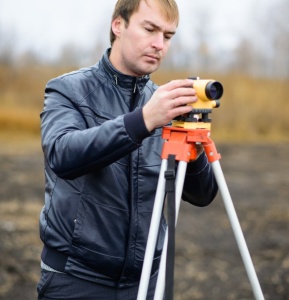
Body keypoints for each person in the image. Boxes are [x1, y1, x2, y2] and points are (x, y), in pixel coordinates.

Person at [36, 0, 218, 299]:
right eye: (150, 29)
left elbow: (202, 195)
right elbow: (62, 155)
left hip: (146, 281)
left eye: (168, 36)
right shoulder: (68, 90)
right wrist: (144, 120)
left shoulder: (165, 103)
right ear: (118, 25)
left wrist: (193, 140)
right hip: (76, 279)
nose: (159, 44)